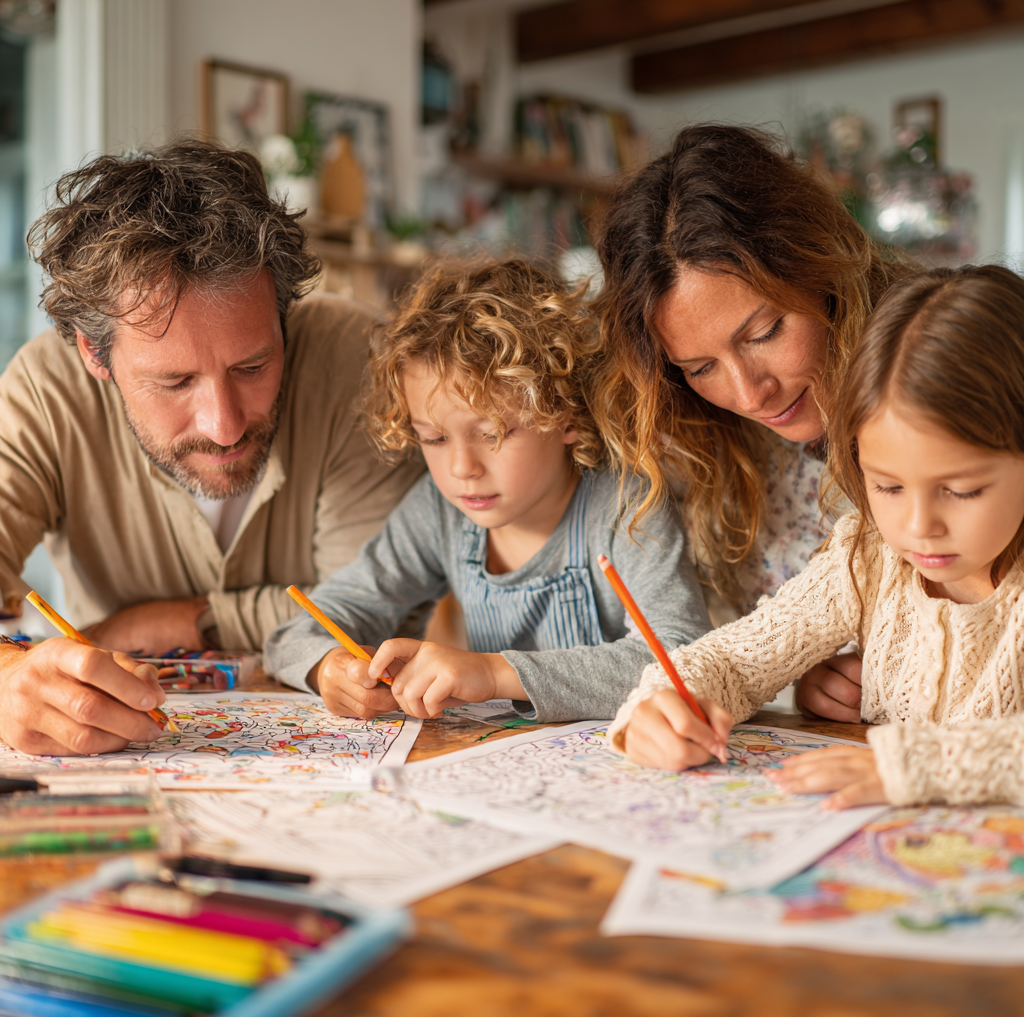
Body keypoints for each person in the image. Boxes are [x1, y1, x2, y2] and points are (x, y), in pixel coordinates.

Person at [0, 140, 422, 755]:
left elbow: (364, 615)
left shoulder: (355, 360)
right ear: (94, 354)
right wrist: (8, 676)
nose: (224, 426)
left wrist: (166, 623)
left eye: (253, 366)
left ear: (285, 318)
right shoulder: (44, 388)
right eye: (174, 382)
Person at [608, 265, 1024, 808]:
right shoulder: (867, 555)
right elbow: (736, 660)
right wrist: (663, 703)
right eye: (888, 486)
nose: (919, 526)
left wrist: (912, 765)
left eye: (962, 490)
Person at [265, 259, 711, 721]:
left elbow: (688, 661)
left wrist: (495, 674)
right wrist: (328, 668)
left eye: (494, 433)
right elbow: (293, 634)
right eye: (434, 438)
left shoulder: (628, 506)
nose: (462, 468)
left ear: (569, 415)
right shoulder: (439, 513)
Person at [591, 123, 914, 723]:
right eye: (700, 366)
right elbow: (735, 652)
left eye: (764, 334)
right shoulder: (701, 441)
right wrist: (803, 685)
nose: (749, 393)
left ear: (822, 272)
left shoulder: (935, 385)